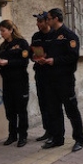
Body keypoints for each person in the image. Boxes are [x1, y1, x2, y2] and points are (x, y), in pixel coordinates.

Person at [36, 8, 83, 151]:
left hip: (65, 79)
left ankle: (79, 139)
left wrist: (54, 61)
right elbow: (48, 53)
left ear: (56, 19)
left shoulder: (69, 36)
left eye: (49, 18)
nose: (47, 21)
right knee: (54, 110)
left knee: (71, 110)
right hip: (50, 80)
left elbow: (72, 57)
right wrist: (43, 59)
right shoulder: (51, 35)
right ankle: (58, 139)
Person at [0, 20, 31, 147]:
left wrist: (8, 62)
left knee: (21, 110)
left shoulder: (22, 43)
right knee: (10, 110)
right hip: (7, 81)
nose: (1, 33)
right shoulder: (3, 46)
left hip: (20, 81)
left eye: (3, 30)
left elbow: (24, 62)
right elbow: (3, 62)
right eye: (0, 30)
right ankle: (12, 135)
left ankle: (23, 136)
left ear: (10, 30)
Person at [31, 11, 52, 142]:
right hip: (40, 73)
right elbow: (30, 52)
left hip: (51, 74)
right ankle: (47, 130)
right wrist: (34, 57)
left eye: (40, 21)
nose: (37, 23)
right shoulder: (36, 36)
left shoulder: (54, 35)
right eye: (37, 21)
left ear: (47, 21)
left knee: (52, 104)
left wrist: (47, 57)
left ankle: (55, 131)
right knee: (43, 103)